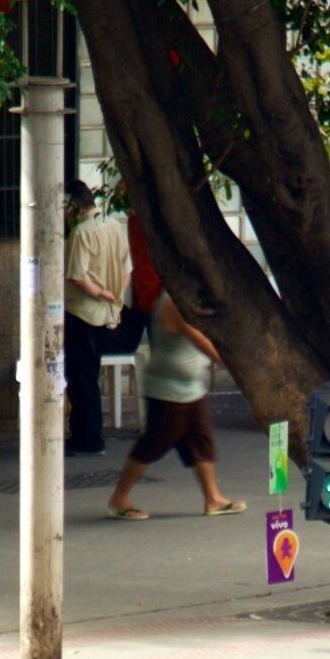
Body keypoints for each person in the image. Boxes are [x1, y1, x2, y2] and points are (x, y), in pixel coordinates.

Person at [107, 293, 244, 520]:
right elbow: (197, 336)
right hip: (168, 388)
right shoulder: (173, 302)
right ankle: (119, 498)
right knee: (154, 442)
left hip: (191, 388)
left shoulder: (190, 300)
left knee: (201, 440)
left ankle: (213, 498)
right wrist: (227, 360)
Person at [63, 181, 140, 456]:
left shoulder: (80, 233)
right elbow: (126, 268)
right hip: (108, 314)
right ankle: (89, 435)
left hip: (83, 312)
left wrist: (102, 293)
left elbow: (77, 276)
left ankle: (88, 437)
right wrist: (115, 296)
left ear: (72, 206)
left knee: (81, 377)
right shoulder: (112, 225)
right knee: (90, 375)